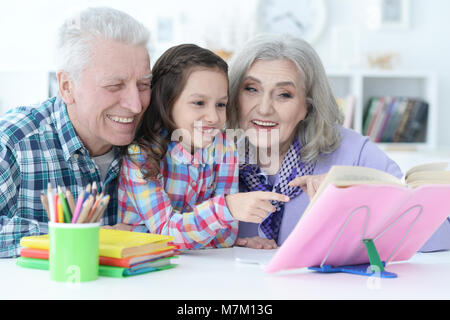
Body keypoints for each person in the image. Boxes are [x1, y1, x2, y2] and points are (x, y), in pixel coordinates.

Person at [227, 34, 404, 249]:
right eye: (251, 89)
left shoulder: (353, 153)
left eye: (284, 94)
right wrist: (222, 241)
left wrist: (355, 200)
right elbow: (177, 233)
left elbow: (436, 231)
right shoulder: (209, 157)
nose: (264, 108)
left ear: (307, 106)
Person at [0, 7, 152, 258]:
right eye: (114, 86)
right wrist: (90, 237)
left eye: (144, 85)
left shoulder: (157, 140)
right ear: (67, 87)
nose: (136, 105)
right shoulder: (13, 142)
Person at [116, 44, 288, 249]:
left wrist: (145, 232)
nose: (214, 117)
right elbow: (167, 236)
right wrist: (226, 208)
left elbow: (225, 238)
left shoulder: (224, 148)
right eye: (199, 103)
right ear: (167, 102)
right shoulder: (141, 157)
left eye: (220, 104)